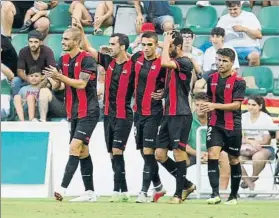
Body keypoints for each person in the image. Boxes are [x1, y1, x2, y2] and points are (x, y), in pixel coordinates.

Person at [78, 21, 134, 202]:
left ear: (122, 46)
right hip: (108, 114)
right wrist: (81, 31)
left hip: (124, 115)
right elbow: (88, 47)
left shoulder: (133, 64)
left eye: (113, 44)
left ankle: (116, 190)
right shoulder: (108, 61)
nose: (109, 47)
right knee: (112, 153)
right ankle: (124, 190)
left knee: (118, 151)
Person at [44, 27, 99, 202]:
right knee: (82, 151)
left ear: (76, 41)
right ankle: (90, 192)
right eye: (62, 38)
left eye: (67, 39)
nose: (63, 42)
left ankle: (62, 189)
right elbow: (61, 85)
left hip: (89, 111)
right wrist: (52, 81)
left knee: (74, 147)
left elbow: (81, 84)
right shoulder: (63, 59)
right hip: (73, 111)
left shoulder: (87, 60)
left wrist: (60, 77)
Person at [200, 48, 246, 205]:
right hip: (215, 124)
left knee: (233, 159)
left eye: (224, 61)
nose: (220, 63)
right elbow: (208, 101)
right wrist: (206, 108)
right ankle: (215, 194)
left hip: (233, 125)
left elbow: (236, 105)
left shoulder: (239, 82)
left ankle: (233, 195)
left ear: (232, 63)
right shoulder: (211, 79)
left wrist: (214, 105)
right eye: (218, 60)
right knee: (213, 153)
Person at [155, 31, 194, 204]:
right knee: (160, 154)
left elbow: (163, 62)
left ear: (178, 47)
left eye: (169, 45)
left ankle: (178, 194)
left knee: (179, 152)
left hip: (180, 113)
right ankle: (186, 184)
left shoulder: (184, 61)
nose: (166, 48)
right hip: (168, 113)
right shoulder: (174, 63)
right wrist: (163, 93)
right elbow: (176, 85)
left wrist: (164, 42)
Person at [131, 31, 166, 203]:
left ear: (156, 45)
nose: (145, 48)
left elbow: (176, 83)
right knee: (144, 153)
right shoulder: (136, 58)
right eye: (143, 44)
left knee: (148, 151)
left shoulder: (162, 64)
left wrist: (164, 92)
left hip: (153, 112)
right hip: (138, 112)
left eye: (149, 45)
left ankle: (143, 192)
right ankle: (158, 186)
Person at [187, 92, 230, 190]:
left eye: (203, 105)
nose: (199, 108)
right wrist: (199, 154)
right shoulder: (187, 119)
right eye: (197, 105)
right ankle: (184, 188)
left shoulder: (218, 119)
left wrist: (210, 153)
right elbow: (183, 144)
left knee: (225, 156)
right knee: (180, 155)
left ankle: (222, 191)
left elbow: (223, 142)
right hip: (194, 154)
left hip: (214, 153)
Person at [240, 95, 276, 195]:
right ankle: (250, 184)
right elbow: (238, 136)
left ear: (260, 106)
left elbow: (266, 141)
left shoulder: (266, 118)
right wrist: (250, 142)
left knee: (257, 157)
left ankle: (254, 176)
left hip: (264, 147)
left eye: (253, 105)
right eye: (249, 104)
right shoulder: (243, 117)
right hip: (246, 146)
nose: (250, 107)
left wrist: (255, 143)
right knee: (234, 159)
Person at [194, 27, 239, 94]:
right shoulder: (208, 51)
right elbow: (206, 70)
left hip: (225, 73)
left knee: (208, 86)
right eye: (213, 36)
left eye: (217, 36)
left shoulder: (230, 49)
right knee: (197, 86)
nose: (214, 39)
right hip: (211, 74)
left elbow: (235, 69)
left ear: (223, 38)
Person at [217, 1, 262, 66]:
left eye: (235, 9)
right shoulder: (223, 18)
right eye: (230, 9)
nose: (232, 12)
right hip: (228, 48)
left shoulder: (250, 16)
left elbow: (259, 35)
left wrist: (244, 29)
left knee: (254, 56)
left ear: (240, 6)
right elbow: (216, 35)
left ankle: (251, 75)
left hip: (248, 47)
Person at [14, 30, 56, 95]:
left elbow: (52, 71)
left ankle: (50, 101)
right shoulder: (23, 51)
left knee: (53, 80)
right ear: (28, 42)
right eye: (30, 42)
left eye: (36, 42)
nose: (33, 44)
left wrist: (41, 79)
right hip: (29, 79)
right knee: (15, 81)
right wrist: (29, 79)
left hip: (44, 79)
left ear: (41, 42)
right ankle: (16, 100)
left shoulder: (48, 51)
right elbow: (20, 71)